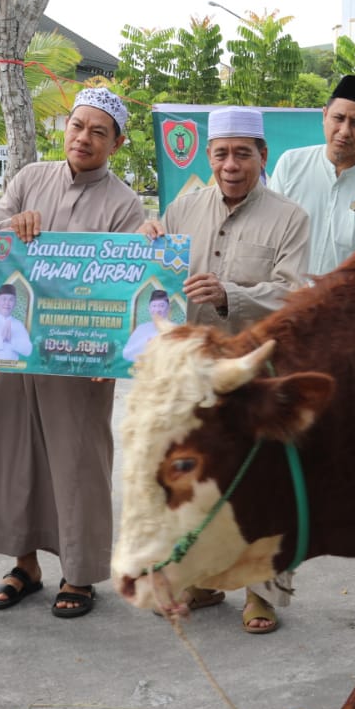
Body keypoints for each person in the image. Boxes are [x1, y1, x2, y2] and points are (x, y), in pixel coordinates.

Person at [0, 86, 144, 619]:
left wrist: (112, 358)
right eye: (78, 126)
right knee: (16, 458)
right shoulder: (30, 179)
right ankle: (25, 565)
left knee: (77, 463)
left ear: (117, 143)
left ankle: (78, 574)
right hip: (12, 353)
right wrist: (9, 226)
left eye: (98, 131)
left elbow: (129, 287)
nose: (84, 138)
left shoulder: (124, 204)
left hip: (80, 363)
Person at [137, 106, 310, 632]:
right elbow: (153, 283)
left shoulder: (290, 217)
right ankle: (207, 579)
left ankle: (261, 593)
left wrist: (230, 293)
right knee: (200, 477)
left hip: (255, 367)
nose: (231, 164)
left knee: (260, 481)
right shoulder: (182, 210)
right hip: (192, 371)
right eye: (221, 154)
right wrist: (147, 240)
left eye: (242, 153)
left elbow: (293, 292)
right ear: (209, 157)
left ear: (263, 156)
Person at [267, 74, 355, 275]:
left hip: (344, 302)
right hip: (286, 298)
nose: (344, 131)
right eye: (338, 118)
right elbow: (269, 236)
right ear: (324, 116)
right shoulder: (291, 164)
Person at [0, 283, 33, 362]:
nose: (7, 303)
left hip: (12, 370)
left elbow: (28, 350)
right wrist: (1, 339)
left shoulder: (19, 324)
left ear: (15, 303)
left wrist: (11, 340)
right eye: (4, 299)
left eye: (11, 300)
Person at [121, 288, 172, 362]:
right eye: (154, 306)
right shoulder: (141, 328)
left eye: (161, 306)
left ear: (168, 308)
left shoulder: (176, 329)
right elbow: (126, 354)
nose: (157, 310)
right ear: (149, 309)